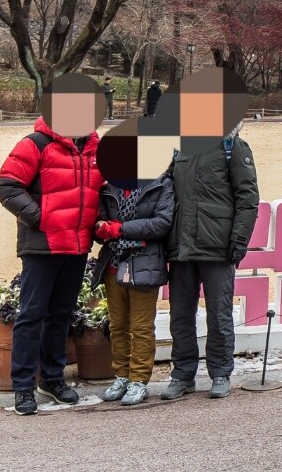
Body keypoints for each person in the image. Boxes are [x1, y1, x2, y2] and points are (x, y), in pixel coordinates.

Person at [0, 74, 105, 416]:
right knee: (31, 315)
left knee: (61, 314)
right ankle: (24, 386)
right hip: (42, 246)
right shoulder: (35, 144)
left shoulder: (95, 149)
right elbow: (8, 187)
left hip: (77, 245)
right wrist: (42, 218)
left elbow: (103, 192)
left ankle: (53, 378)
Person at [162, 68, 259, 401]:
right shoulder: (179, 148)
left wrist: (239, 240)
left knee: (219, 315)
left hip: (218, 246)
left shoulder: (232, 145)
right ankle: (183, 374)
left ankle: (220, 372)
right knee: (180, 316)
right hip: (181, 248)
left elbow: (248, 197)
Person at [91, 155, 175, 407]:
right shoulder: (110, 187)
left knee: (140, 327)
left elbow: (162, 223)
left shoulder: (161, 184)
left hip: (145, 263)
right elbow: (100, 220)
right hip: (114, 263)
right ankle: (121, 376)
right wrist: (100, 227)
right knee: (117, 325)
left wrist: (119, 230)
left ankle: (139, 380)